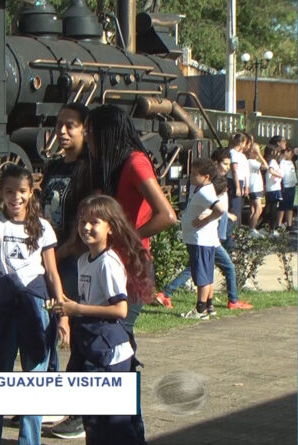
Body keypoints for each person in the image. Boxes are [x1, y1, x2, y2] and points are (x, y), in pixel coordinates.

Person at [86, 104, 177, 442]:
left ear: (106, 133)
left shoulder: (135, 162)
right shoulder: (109, 164)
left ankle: (127, 430)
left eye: (91, 132)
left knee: (116, 346)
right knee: (115, 348)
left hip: (132, 270)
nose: (88, 139)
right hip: (110, 268)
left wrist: (128, 237)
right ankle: (119, 427)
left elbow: (167, 215)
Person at [0, 165, 65, 445]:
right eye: (9, 191)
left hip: (35, 305)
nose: (15, 197)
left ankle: (30, 440)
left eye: (21, 191)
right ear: (1, 193)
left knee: (34, 377)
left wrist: (63, 313)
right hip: (4, 305)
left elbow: (52, 272)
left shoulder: (43, 227)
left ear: (31, 192)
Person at [52, 194, 149, 445]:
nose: (86, 227)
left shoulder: (108, 262)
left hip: (110, 355)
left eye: (94, 222)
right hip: (90, 347)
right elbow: (88, 301)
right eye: (82, 221)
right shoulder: (83, 260)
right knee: (93, 422)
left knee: (116, 425)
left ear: (110, 227)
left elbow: (120, 310)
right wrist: (65, 307)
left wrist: (77, 309)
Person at [41, 103, 90, 439]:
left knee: (75, 334)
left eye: (70, 125)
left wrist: (62, 251)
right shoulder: (54, 166)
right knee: (45, 328)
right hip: (50, 258)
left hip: (72, 260)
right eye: (59, 124)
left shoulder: (89, 169)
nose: (62, 131)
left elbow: (85, 221)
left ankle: (80, 412)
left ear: (85, 129)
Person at [157, 150, 253, 310]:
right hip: (205, 237)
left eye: (229, 164)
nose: (227, 168)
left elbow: (215, 208)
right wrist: (210, 218)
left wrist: (215, 216)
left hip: (208, 236)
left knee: (201, 270)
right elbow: (217, 208)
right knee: (206, 271)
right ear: (215, 164)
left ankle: (206, 305)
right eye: (225, 164)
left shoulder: (206, 186)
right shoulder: (206, 187)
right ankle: (210, 305)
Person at [179, 159, 224, 320]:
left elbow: (220, 209)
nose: (191, 176)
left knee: (201, 275)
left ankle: (200, 310)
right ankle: (209, 306)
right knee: (206, 273)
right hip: (200, 239)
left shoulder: (205, 192)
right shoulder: (199, 187)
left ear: (206, 177)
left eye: (194, 174)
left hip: (201, 240)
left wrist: (205, 220)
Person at [247, 143, 267, 236]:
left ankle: (251, 228)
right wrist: (260, 155)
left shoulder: (252, 161)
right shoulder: (251, 161)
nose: (257, 154)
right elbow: (266, 167)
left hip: (255, 187)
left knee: (253, 209)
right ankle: (252, 229)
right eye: (256, 152)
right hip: (254, 188)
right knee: (258, 209)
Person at [263, 143, 284, 233]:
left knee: (269, 208)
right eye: (277, 151)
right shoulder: (272, 161)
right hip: (273, 189)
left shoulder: (272, 161)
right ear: (272, 152)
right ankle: (271, 228)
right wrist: (279, 175)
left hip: (272, 188)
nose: (278, 153)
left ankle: (266, 226)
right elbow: (271, 170)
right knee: (273, 209)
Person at [279, 144, 296, 232]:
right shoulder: (282, 162)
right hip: (285, 187)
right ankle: (279, 224)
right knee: (282, 206)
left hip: (292, 186)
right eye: (290, 153)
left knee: (290, 206)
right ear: (286, 152)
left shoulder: (291, 162)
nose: (292, 155)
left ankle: (289, 224)